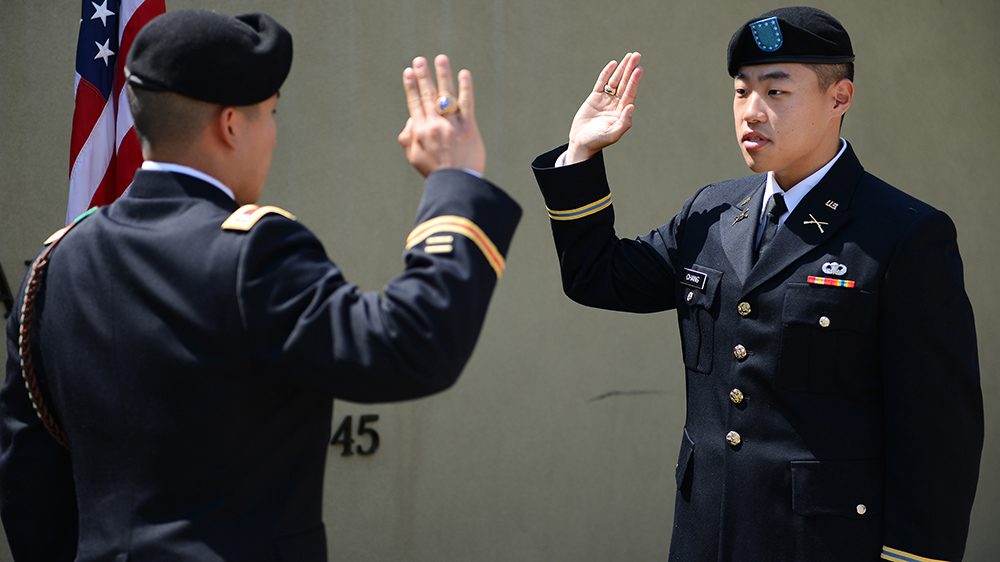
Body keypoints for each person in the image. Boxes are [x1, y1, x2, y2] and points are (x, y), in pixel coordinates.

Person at [0, 9, 520, 561]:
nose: (271, 134)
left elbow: (29, 480)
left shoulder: (54, 266)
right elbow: (408, 345)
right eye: (269, 114)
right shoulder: (251, 251)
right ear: (230, 125)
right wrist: (455, 182)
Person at [531, 6, 981, 561]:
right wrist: (580, 154)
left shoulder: (903, 234)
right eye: (741, 92)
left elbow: (938, 434)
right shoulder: (714, 212)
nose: (752, 112)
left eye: (776, 92)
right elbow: (597, 277)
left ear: (840, 97)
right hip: (705, 537)